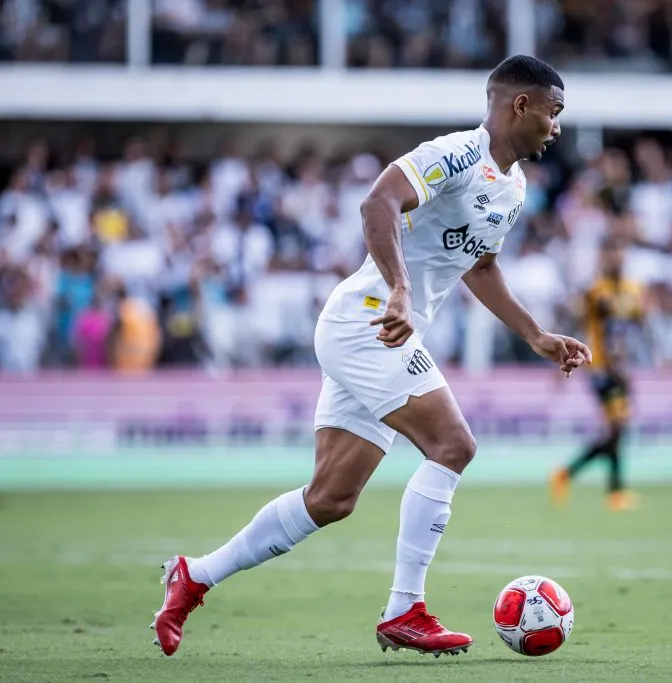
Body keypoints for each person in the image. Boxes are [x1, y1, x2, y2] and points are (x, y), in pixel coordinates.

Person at [151, 55, 591, 658]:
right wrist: (401, 289)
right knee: (454, 445)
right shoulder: (459, 152)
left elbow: (480, 265)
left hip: (379, 333)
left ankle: (192, 576)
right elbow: (377, 203)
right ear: (522, 105)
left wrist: (536, 335)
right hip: (369, 322)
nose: (557, 127)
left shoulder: (512, 188)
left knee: (330, 499)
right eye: (554, 112)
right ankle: (405, 609)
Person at [550, 240, 643, 511]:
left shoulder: (633, 290)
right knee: (617, 427)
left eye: (620, 254)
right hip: (601, 367)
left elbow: (635, 327)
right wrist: (561, 356)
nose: (617, 260)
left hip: (621, 368)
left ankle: (570, 476)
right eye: (611, 255)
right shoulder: (595, 293)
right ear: (604, 260)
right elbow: (580, 325)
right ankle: (612, 490)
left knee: (617, 429)